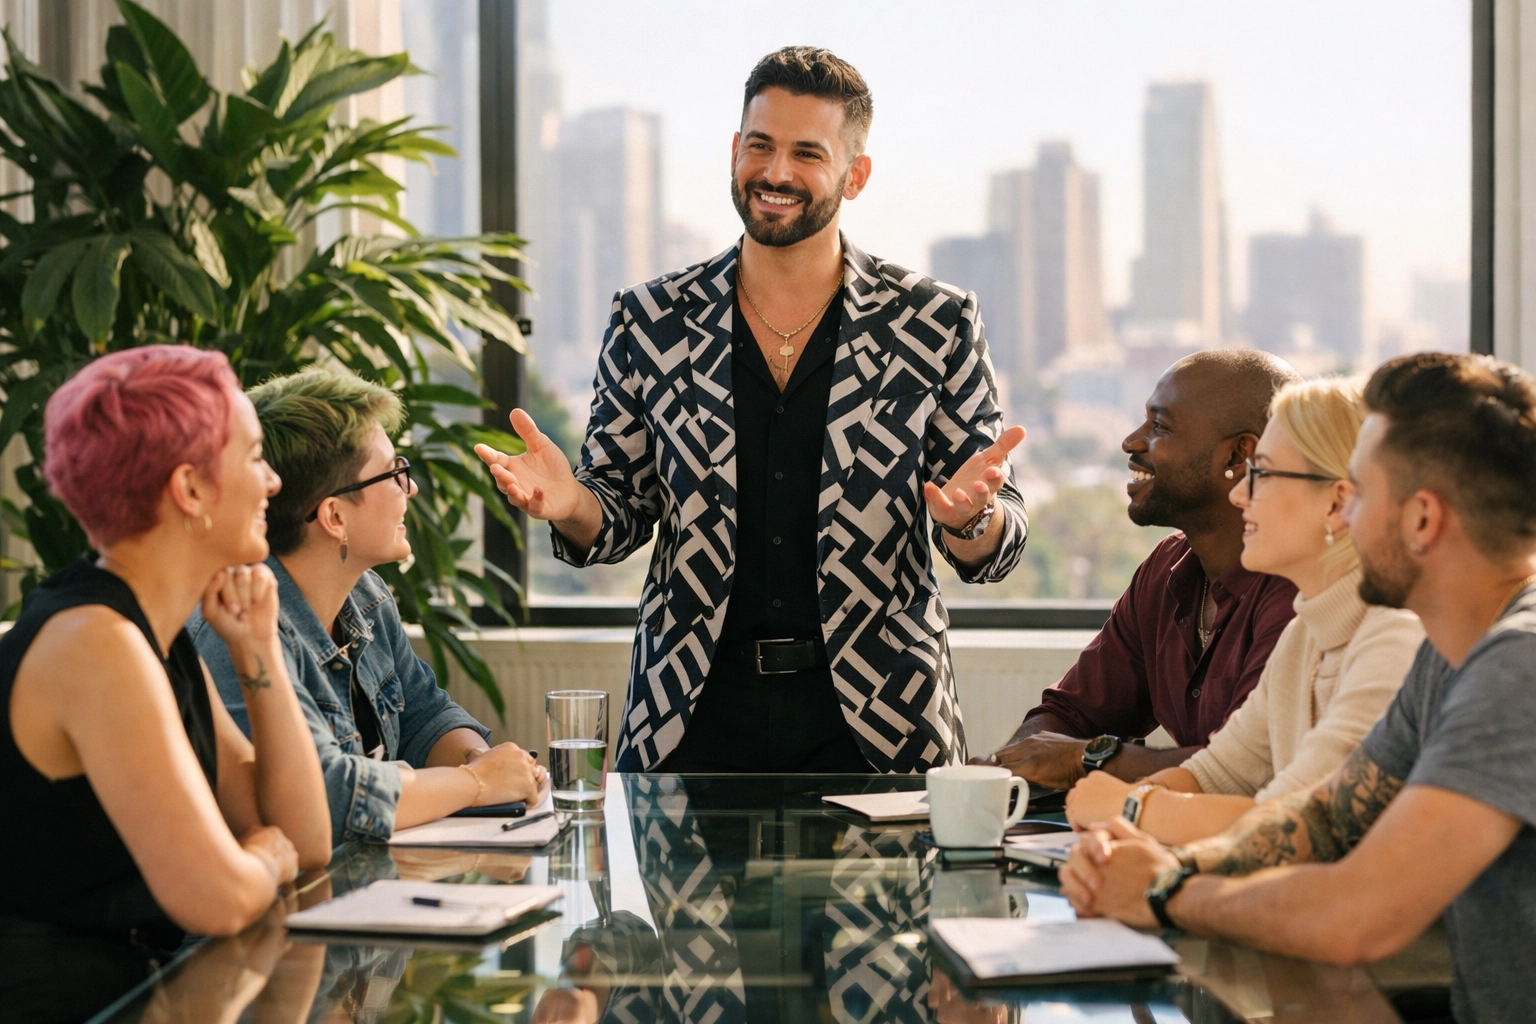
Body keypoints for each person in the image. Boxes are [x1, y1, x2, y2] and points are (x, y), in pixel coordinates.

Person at [475, 46, 1028, 773]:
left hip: (881, 728)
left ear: (854, 175)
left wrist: (970, 523)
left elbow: (996, 533)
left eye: (807, 153)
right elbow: (614, 518)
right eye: (760, 146)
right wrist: (572, 501)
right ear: (735, 150)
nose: (775, 173)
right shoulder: (650, 320)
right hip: (690, 724)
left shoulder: (933, 322)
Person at [1061, 352, 1536, 1024]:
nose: (1345, 518)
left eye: (1360, 494)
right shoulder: (1452, 654)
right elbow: (1321, 821)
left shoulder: (1517, 666)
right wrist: (1156, 868)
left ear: (1423, 521)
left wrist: (1166, 890)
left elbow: (1357, 915)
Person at [0, 347, 330, 969]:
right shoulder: (99, 644)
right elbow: (220, 897)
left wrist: (257, 645)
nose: (273, 481)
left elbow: (307, 837)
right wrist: (266, 856)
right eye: (255, 457)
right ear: (190, 489)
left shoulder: (154, 632)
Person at [191, 369, 542, 847]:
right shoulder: (238, 625)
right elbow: (326, 798)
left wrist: (488, 767)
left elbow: (425, 716)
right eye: (394, 471)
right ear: (335, 516)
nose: (410, 488)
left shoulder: (367, 597)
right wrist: (477, 784)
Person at [1064, 377, 1423, 843]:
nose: (1239, 495)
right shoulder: (1306, 637)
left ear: (1336, 503)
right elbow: (1211, 774)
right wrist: (1128, 810)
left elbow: (1292, 823)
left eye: (1264, 474)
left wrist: (1126, 809)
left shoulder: (1393, 640)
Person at [974, 350, 1303, 790]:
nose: (1130, 441)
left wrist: (1083, 760)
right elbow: (1074, 715)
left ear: (1240, 455)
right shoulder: (1165, 570)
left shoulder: (1296, 586)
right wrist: (1006, 772)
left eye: (1160, 427)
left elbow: (1248, 769)